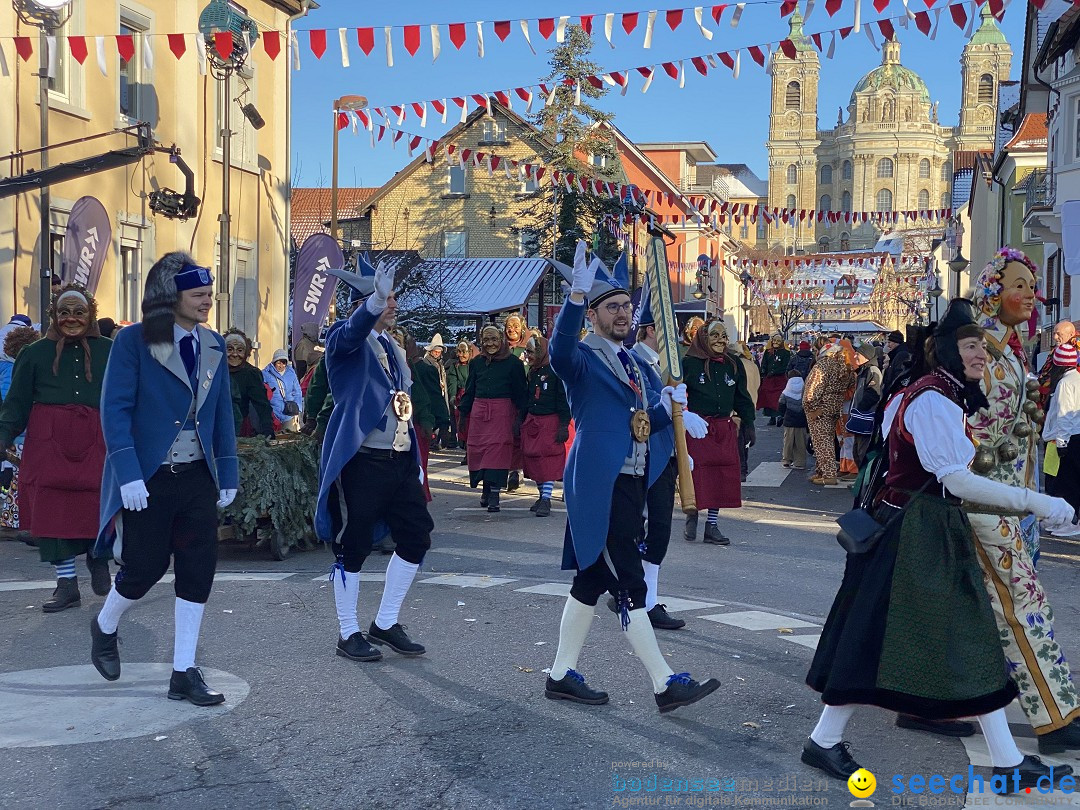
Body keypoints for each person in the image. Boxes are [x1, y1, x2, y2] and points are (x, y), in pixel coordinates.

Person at [802, 298, 1075, 791]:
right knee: (889, 639)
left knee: (960, 640)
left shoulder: (934, 393)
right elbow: (959, 480)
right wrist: (1038, 502)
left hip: (921, 529)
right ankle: (822, 741)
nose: (980, 357)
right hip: (915, 533)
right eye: (971, 347)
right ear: (947, 350)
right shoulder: (932, 399)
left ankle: (1007, 761)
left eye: (983, 349)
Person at [544, 241, 716, 712]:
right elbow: (558, 352)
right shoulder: (580, 356)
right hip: (600, 487)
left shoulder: (637, 364)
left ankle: (560, 674)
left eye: (625, 306)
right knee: (629, 583)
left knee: (590, 582)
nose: (622, 314)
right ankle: (664, 684)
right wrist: (574, 301)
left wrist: (667, 409)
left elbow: (641, 424)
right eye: (612, 307)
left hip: (631, 483)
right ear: (594, 315)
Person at [91, 253, 238, 705]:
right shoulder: (134, 341)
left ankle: (183, 671)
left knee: (197, 572)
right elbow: (114, 410)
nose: (206, 303)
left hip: (197, 476)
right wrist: (128, 474)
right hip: (148, 476)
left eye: (209, 295)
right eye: (198, 296)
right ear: (171, 298)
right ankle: (104, 625)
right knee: (144, 568)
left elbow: (222, 415)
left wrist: (227, 469)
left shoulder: (212, 344)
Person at [966, 247, 1080, 754]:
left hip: (1012, 502)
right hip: (987, 502)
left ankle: (920, 701)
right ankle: (1056, 718)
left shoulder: (1009, 349)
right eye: (1018, 284)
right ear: (993, 291)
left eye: (1031, 286)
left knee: (971, 610)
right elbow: (971, 433)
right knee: (1023, 607)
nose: (1029, 294)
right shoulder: (982, 353)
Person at [313, 257, 434, 664]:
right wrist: (372, 304)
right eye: (387, 298)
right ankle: (348, 632)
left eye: (394, 297)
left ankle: (385, 622)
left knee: (417, 536)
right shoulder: (344, 342)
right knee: (355, 545)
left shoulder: (393, 346)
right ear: (364, 304)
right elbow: (350, 333)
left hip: (399, 458)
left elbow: (402, 400)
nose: (394, 304)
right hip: (363, 460)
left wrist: (413, 455)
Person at [0, 286, 112, 611]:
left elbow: (128, 397)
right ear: (54, 316)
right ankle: (66, 584)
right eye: (64, 312)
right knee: (52, 510)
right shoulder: (33, 354)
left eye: (79, 312)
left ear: (90, 313)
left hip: (98, 440)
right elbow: (16, 402)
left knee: (99, 503)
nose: (72, 319)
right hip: (48, 443)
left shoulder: (111, 351)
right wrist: (4, 434)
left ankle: (98, 557)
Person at [682, 320, 755, 545]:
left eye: (724, 336)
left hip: (724, 429)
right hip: (698, 428)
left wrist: (749, 424)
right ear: (703, 337)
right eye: (715, 335)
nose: (721, 340)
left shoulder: (733, 364)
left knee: (722, 478)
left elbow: (742, 396)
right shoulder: (689, 363)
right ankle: (692, 514)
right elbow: (676, 394)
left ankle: (711, 525)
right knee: (697, 476)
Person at [458, 326, 528, 513]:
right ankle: (486, 488)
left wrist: (521, 418)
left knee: (498, 450)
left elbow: (521, 393)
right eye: (486, 340)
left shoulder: (514, 363)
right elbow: (470, 389)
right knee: (479, 450)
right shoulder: (476, 363)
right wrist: (463, 414)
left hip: (502, 412)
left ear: (501, 340)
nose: (490, 344)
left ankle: (495, 493)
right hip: (480, 411)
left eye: (494, 339)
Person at [520, 333, 570, 519]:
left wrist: (564, 424)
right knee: (534, 461)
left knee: (547, 461)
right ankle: (542, 496)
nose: (528, 355)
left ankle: (547, 499)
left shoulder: (555, 373)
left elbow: (563, 399)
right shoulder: (532, 372)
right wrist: (521, 419)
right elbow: (527, 397)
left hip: (550, 421)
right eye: (527, 352)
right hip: (533, 421)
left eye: (531, 352)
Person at [0, 325, 40, 535]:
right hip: (23, 433)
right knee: (21, 478)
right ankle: (15, 520)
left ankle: (11, 519)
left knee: (18, 477)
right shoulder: (23, 369)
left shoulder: (6, 367)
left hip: (14, 433)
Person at [804, 342, 857, 486]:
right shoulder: (846, 367)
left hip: (820, 408)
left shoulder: (823, 366)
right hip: (836, 408)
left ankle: (828, 474)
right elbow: (852, 385)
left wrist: (811, 407)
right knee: (827, 440)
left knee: (822, 442)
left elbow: (812, 390)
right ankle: (821, 471)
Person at [1042, 342, 1080, 535]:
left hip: (1066, 438)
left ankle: (1070, 522)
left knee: (1064, 483)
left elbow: (1065, 415)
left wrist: (1062, 442)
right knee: (1072, 480)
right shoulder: (1076, 378)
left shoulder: (1065, 383)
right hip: (1074, 437)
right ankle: (1069, 519)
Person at [409, 334, 450, 501]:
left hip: (419, 422)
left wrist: (443, 423)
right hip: (411, 422)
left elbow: (434, 397)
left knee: (419, 463)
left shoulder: (425, 369)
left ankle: (418, 495)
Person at [223, 329, 274, 438]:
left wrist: (267, 429)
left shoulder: (251, 373)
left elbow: (262, 403)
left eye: (240, 350)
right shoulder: (216, 370)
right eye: (230, 349)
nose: (235, 354)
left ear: (246, 352)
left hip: (239, 428)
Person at [849, 343, 883, 470]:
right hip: (860, 416)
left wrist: (860, 410)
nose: (855, 356)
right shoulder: (863, 370)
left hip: (866, 417)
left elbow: (873, 394)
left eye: (858, 354)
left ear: (866, 356)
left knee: (863, 452)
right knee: (857, 452)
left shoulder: (872, 371)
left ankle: (864, 483)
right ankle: (860, 479)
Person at [419, 334, 452, 452]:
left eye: (439, 352)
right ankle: (433, 440)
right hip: (431, 393)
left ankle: (437, 440)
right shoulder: (426, 362)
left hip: (440, 391)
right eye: (435, 351)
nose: (437, 354)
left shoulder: (440, 363)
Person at [1037, 320, 1079, 412]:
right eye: (1054, 333)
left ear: (1071, 334)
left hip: (1068, 403)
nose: (1055, 337)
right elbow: (1045, 371)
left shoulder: (1077, 352)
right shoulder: (1057, 350)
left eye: (1059, 334)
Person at [263, 349, 303, 432]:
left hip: (289, 414)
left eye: (283, 362)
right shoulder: (265, 374)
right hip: (273, 414)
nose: (281, 365)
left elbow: (297, 392)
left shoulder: (291, 373)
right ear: (274, 362)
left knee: (289, 440)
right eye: (278, 362)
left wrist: (297, 409)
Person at [757, 333, 791, 425]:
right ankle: (772, 418)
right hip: (769, 379)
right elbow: (764, 363)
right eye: (774, 340)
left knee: (778, 398)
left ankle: (780, 415)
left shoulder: (785, 353)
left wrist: (775, 372)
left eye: (778, 341)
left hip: (780, 379)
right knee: (768, 397)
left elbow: (785, 366)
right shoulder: (768, 352)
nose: (775, 342)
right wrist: (763, 372)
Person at [778, 370, 807, 470]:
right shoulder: (805, 389)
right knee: (801, 442)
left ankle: (786, 460)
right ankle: (800, 462)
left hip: (789, 418)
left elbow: (781, 403)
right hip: (801, 419)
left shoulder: (786, 391)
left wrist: (782, 415)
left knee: (788, 441)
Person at [446, 340, 471, 452]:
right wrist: (452, 395)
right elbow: (452, 381)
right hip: (460, 397)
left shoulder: (474, 365)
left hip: (472, 395)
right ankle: (462, 440)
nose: (461, 355)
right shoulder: (455, 367)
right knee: (460, 419)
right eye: (459, 352)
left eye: (464, 352)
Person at [881, 329, 911, 398]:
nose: (888, 345)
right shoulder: (896, 354)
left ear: (896, 342)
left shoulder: (901, 355)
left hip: (896, 395)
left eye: (889, 342)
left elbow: (898, 377)